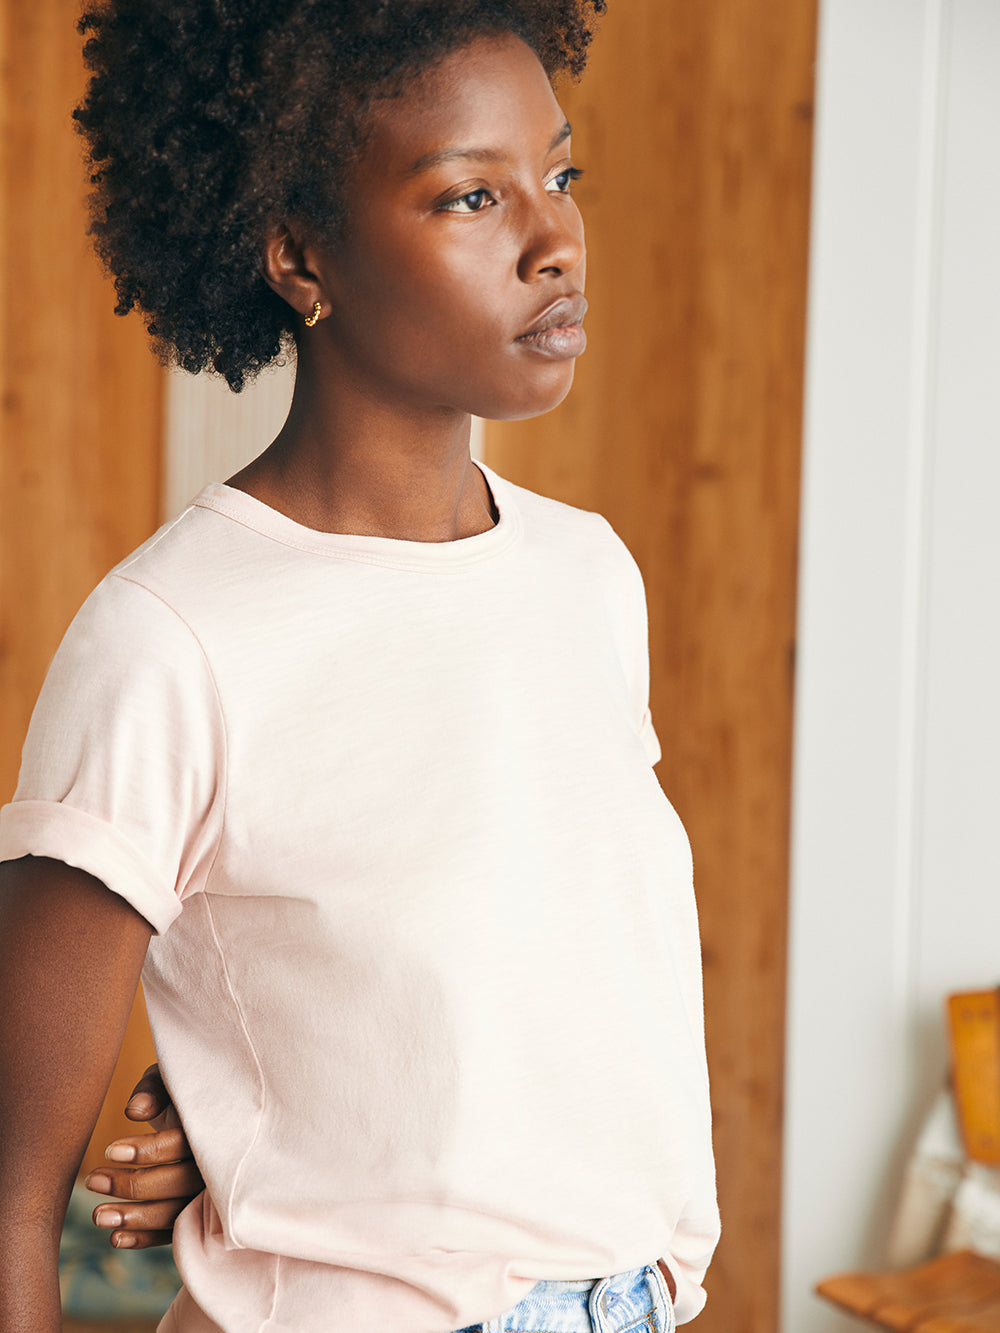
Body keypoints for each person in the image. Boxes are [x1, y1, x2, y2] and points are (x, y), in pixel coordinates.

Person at [0, 3, 719, 1331]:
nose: (554, 242)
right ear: (300, 253)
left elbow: (513, 986)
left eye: (560, 176)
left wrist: (249, 1111)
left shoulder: (589, 578)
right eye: (470, 198)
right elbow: (9, 1179)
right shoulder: (171, 635)